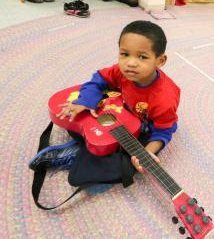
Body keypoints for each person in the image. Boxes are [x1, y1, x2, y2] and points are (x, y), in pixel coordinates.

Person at [30, 20, 180, 192]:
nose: (130, 63)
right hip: (124, 114)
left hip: (146, 128)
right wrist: (85, 101)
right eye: (125, 54)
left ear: (160, 61)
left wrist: (147, 152)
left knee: (130, 166)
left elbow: (163, 131)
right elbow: (98, 79)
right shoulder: (122, 71)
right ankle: (88, 147)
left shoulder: (164, 99)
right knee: (78, 120)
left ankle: (75, 155)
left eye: (142, 57)